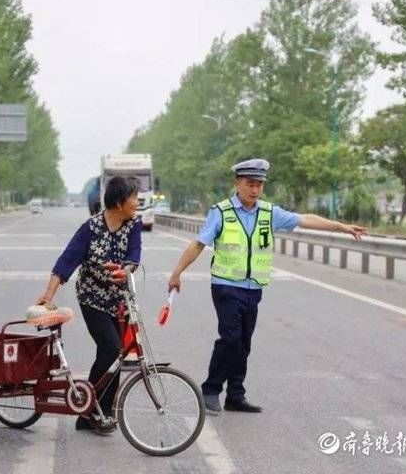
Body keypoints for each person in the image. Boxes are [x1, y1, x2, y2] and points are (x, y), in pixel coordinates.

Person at [167, 159, 367, 415]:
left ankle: (235, 395)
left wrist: (340, 226)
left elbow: (304, 219)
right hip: (226, 286)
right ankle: (211, 389)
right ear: (237, 183)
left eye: (259, 185)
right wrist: (177, 272)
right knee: (230, 338)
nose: (255, 190)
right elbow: (198, 244)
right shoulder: (222, 212)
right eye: (250, 184)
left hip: (253, 288)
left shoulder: (269, 213)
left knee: (244, 343)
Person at [36, 176, 142, 434]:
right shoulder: (91, 228)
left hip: (120, 301)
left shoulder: (133, 225)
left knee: (114, 356)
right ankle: (90, 408)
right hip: (92, 297)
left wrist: (124, 270)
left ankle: (99, 412)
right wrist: (48, 295)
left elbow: (134, 256)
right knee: (110, 347)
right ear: (119, 202)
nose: (137, 202)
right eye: (134, 198)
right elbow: (67, 261)